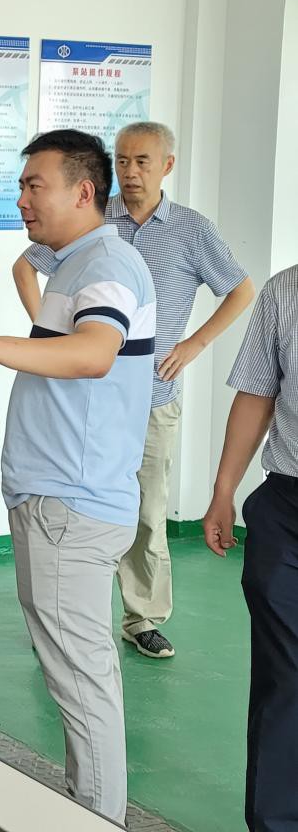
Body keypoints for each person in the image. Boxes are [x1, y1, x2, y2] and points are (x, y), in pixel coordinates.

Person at [0, 129, 153, 823]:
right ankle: (90, 806)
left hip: (70, 502)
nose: (22, 199)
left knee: (80, 682)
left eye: (34, 185)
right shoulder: (74, 264)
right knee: (78, 675)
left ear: (82, 192)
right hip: (60, 496)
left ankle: (95, 817)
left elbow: (93, 354)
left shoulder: (105, 264)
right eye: (21, 185)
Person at [14, 121, 253, 659]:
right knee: (77, 511)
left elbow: (240, 289)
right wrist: (55, 336)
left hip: (152, 397)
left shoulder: (191, 229)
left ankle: (142, 616)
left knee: (147, 512)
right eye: (122, 160)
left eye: (142, 161)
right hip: (85, 397)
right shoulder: (95, 221)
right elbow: (25, 269)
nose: (130, 171)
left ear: (167, 165)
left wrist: (193, 344)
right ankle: (72, 616)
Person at [202, 263, 298, 832]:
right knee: (285, 675)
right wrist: (223, 491)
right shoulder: (286, 290)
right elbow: (258, 392)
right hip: (286, 505)